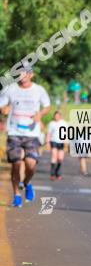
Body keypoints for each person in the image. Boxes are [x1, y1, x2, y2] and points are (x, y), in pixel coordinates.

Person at [0, 69, 51, 207]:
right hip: (14, 132)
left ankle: (27, 183)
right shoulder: (10, 89)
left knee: (31, 164)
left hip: (32, 133)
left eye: (25, 73)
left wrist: (40, 114)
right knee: (16, 164)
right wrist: (3, 110)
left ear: (31, 74)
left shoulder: (38, 90)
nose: (22, 76)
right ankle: (16, 195)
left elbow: (47, 106)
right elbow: (2, 105)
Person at [46, 111, 68, 180]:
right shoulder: (51, 124)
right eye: (55, 116)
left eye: (58, 116)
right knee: (54, 156)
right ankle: (52, 174)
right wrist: (47, 142)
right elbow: (49, 133)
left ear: (60, 116)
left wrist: (67, 141)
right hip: (53, 141)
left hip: (61, 142)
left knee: (60, 158)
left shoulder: (64, 123)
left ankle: (57, 172)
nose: (56, 117)